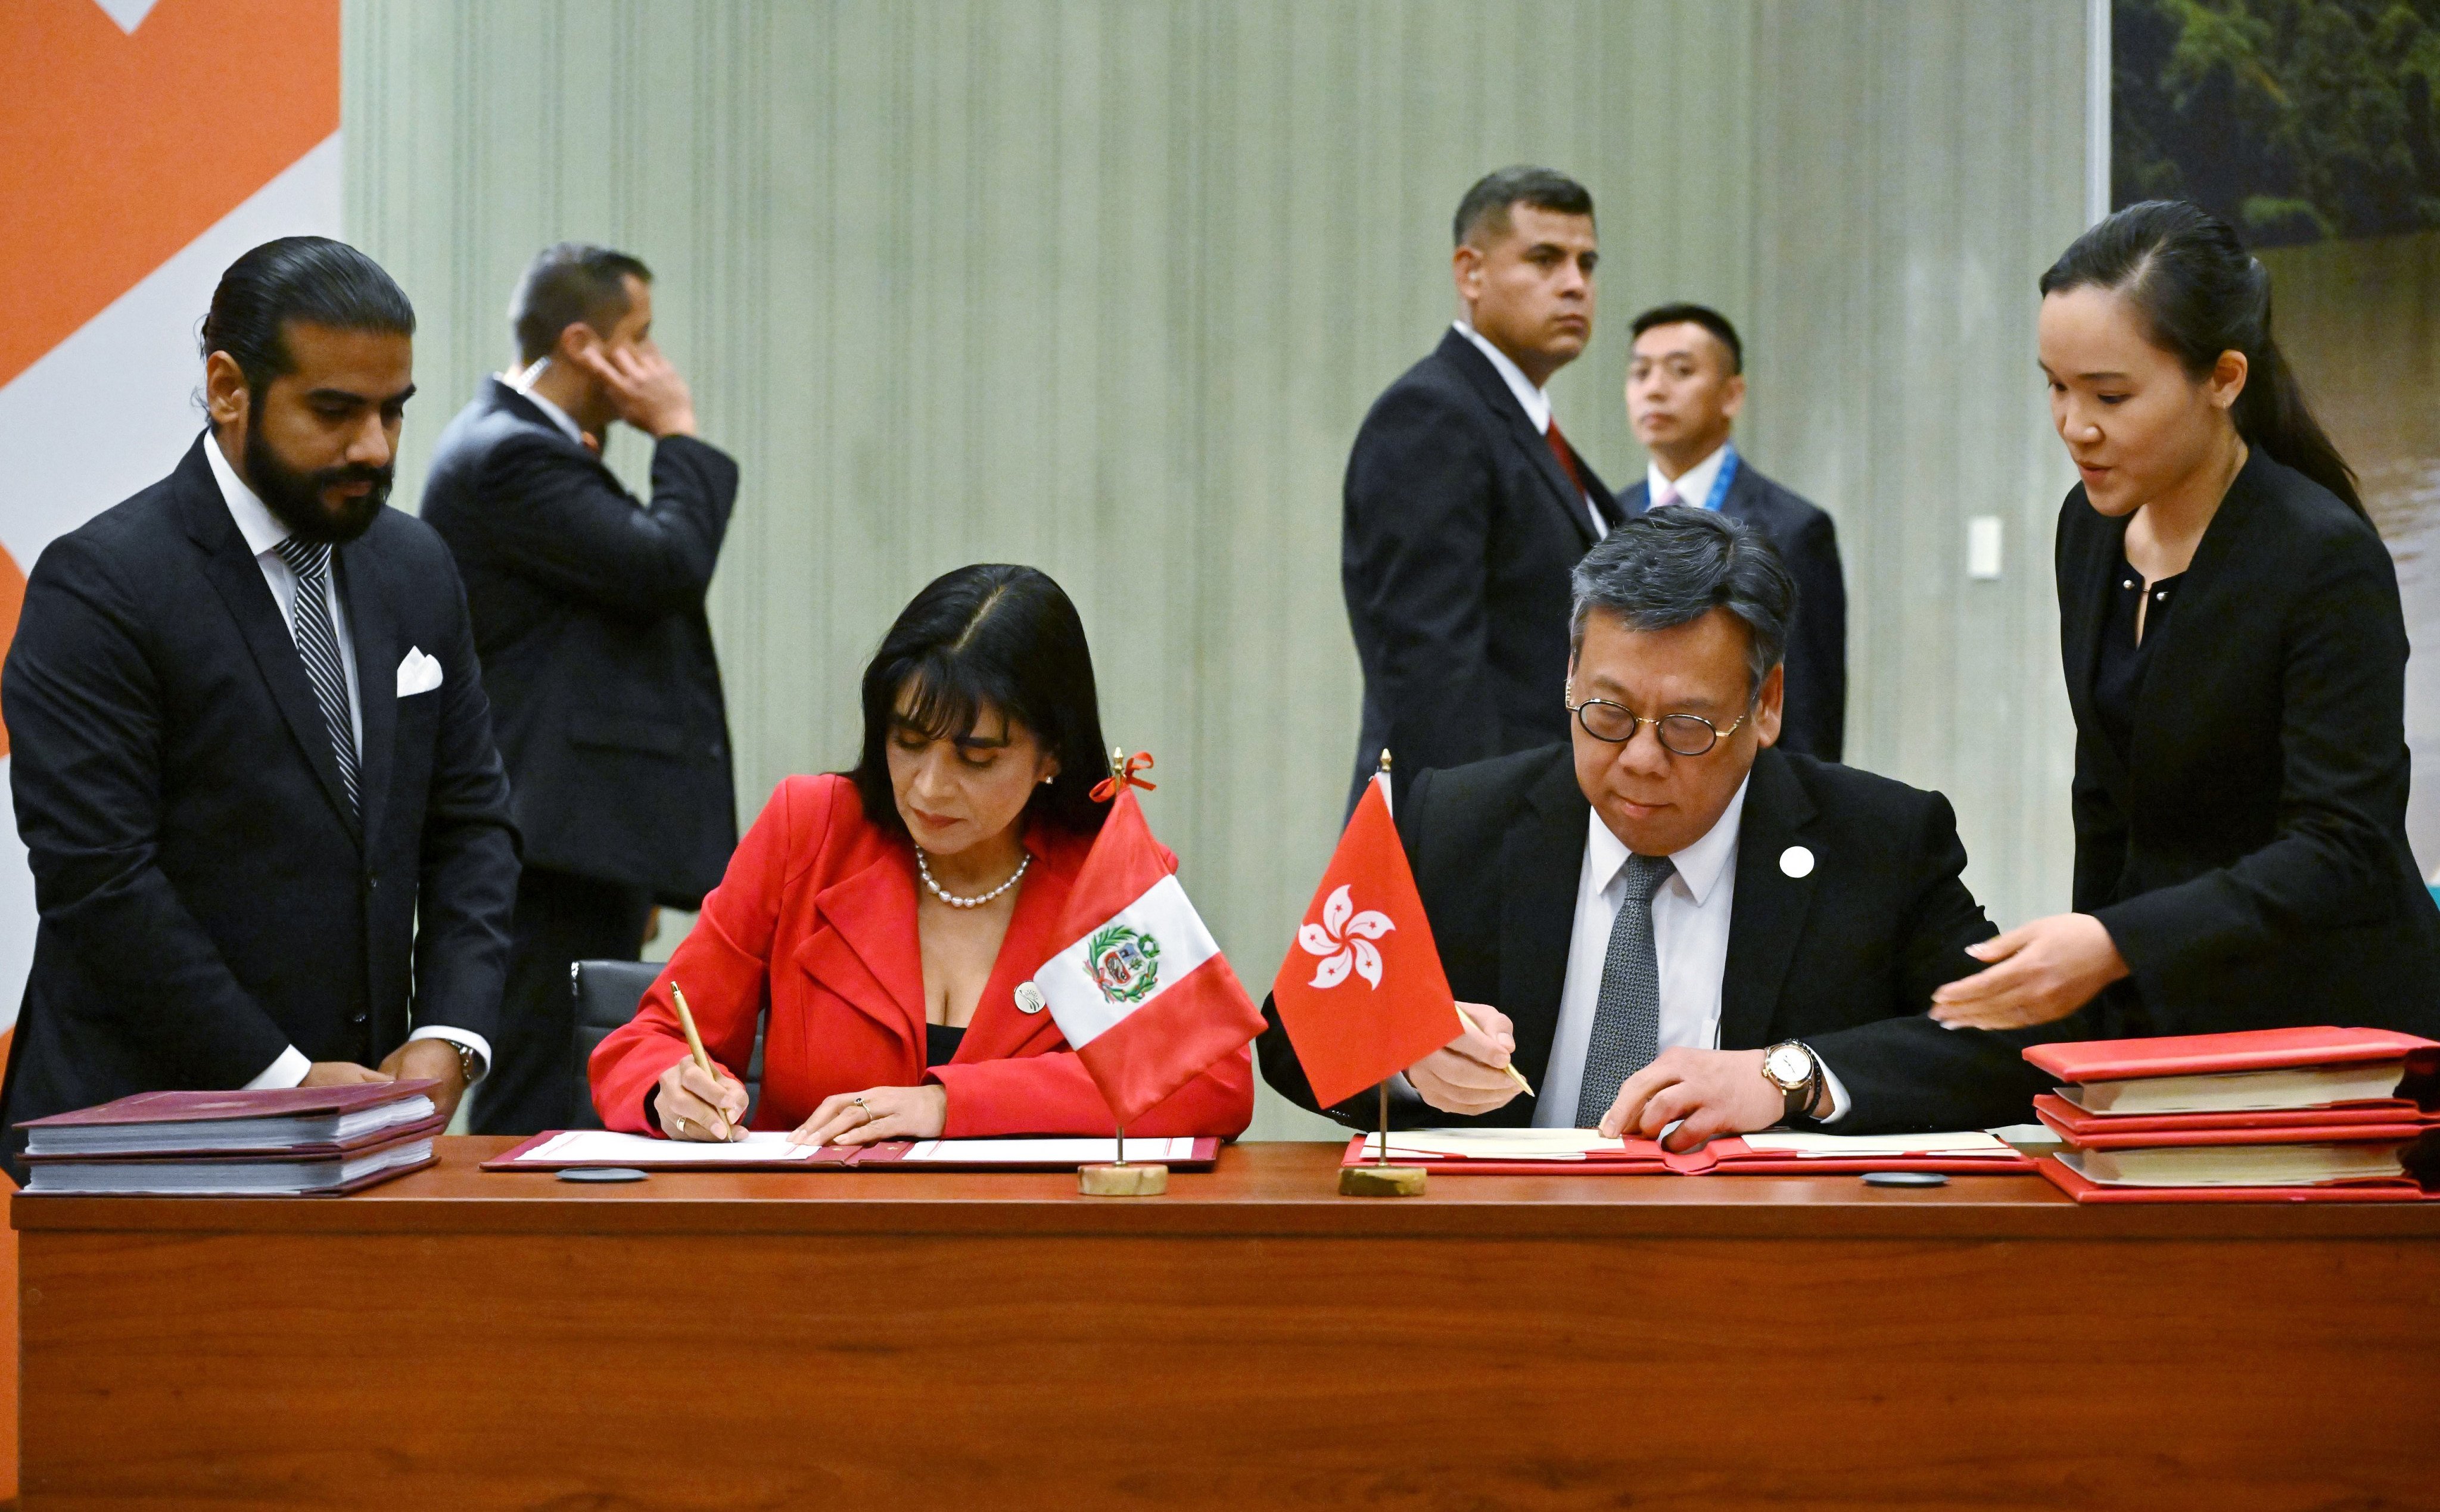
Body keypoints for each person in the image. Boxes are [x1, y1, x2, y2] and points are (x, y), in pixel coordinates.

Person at [1262, 507, 2048, 1146]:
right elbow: (1291, 1037)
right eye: (1606, 713)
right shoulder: (1455, 821)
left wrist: (1785, 1076)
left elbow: (2015, 1047)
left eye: (1688, 725)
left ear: (1767, 704)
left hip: (1756, 1278)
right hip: (1498, 1267)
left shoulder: (1878, 840)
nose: (1639, 758)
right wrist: (1403, 1052)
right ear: (1569, 674)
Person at [0, 238, 519, 1176]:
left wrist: (450, 1030)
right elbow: (101, 878)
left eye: (393, 411)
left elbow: (472, 824)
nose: (375, 446)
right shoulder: (103, 584)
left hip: (371, 1136)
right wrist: (282, 1080)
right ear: (230, 388)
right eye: (335, 411)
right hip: (147, 1141)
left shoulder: (415, 566)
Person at [1930, 200, 2440, 1037]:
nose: (2074, 425)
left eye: (2111, 394)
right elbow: (2105, 801)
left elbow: (2343, 847)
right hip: (2171, 1014)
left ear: (2225, 379)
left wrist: (2113, 943)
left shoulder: (2322, 557)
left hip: (2334, 1024)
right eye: (2055, 386)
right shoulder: (2088, 527)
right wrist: (2089, 1013)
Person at [589, 564, 1253, 1144]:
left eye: (976, 756)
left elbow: (1210, 1083)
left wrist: (949, 1104)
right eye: (907, 742)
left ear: (1052, 754)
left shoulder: (1101, 871)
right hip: (810, 1250)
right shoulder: (809, 830)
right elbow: (648, 1043)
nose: (930, 787)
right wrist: (667, 1091)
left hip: (1031, 1258)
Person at [421, 243, 739, 1135]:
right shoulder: (510, 456)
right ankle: (504, 1265)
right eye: (639, 337)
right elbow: (669, 563)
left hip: (573, 836)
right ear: (582, 343)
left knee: (569, 1072)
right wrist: (677, 430)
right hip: (546, 839)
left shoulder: (532, 451)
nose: (655, 365)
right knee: (539, 1077)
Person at [1342, 165, 1616, 812]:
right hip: (1476, 832)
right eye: (1545, 259)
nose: (1575, 284)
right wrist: (1493, 832)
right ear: (1471, 272)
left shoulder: (1525, 427)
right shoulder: (1431, 417)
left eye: (1587, 262)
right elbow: (1432, 666)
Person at [1617, 303, 1847, 760]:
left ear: (1732, 394)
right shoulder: (1609, 517)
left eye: (1681, 371)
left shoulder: (1793, 530)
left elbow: (1810, 711)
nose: (1655, 389)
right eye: (1640, 373)